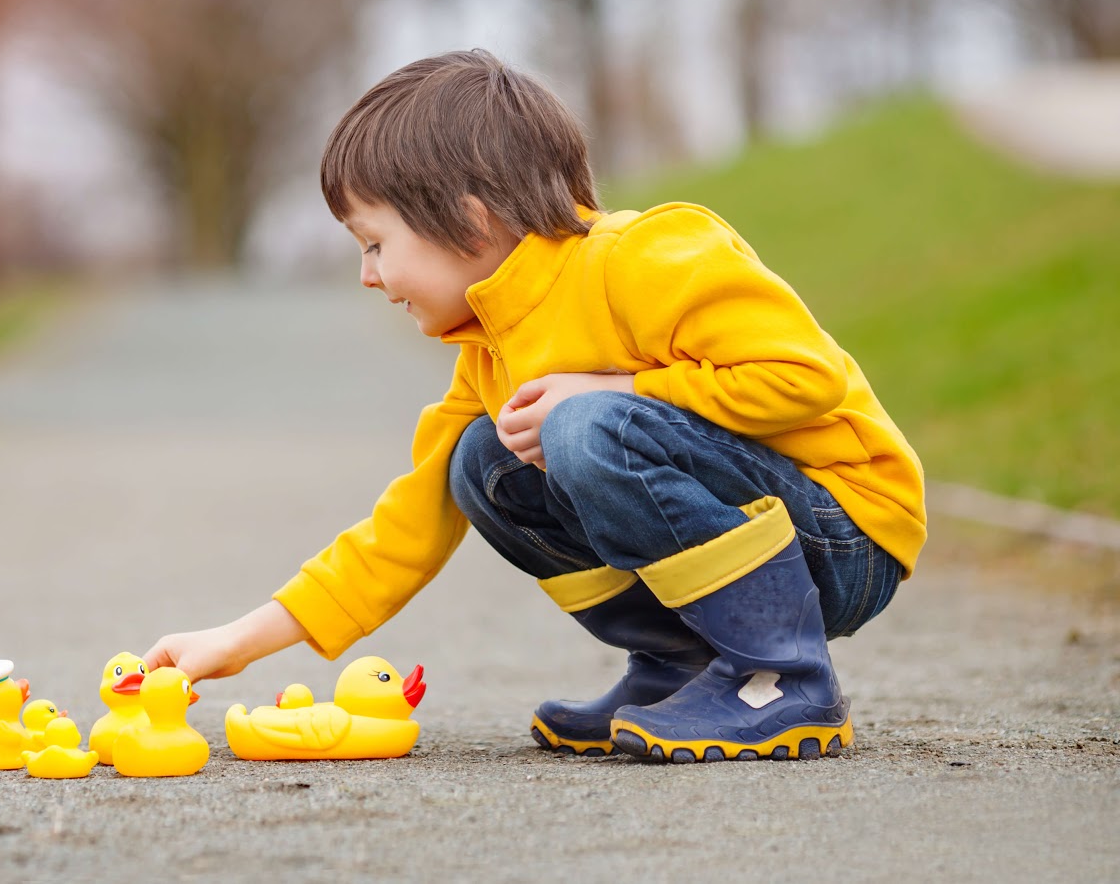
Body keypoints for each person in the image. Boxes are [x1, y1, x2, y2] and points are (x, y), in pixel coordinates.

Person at [144, 49, 925, 763]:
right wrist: (242, 639)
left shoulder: (644, 257)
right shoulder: (488, 345)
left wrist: (618, 390)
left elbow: (803, 377)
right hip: (762, 535)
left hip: (845, 532)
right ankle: (679, 665)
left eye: (375, 243)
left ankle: (779, 676)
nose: (368, 275)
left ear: (471, 220)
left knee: (583, 427)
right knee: (481, 463)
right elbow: (404, 528)